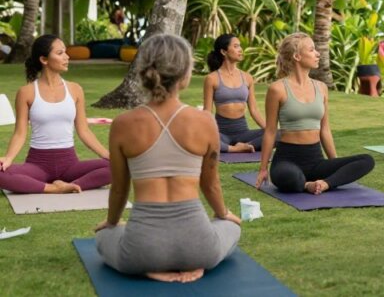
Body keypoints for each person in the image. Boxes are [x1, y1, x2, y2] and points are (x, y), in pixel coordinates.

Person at [95, 34, 240, 283]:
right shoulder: (205, 121)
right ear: (185, 75)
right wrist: (224, 214)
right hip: (199, 248)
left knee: (102, 237)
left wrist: (111, 223)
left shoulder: (122, 124)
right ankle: (192, 264)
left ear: (144, 73)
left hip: (141, 251)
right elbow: (211, 184)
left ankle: (151, 268)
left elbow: (119, 189)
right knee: (233, 228)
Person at [256, 33, 375, 194]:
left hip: (315, 160)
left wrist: (335, 163)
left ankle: (325, 183)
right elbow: (270, 131)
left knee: (367, 160)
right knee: (290, 177)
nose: (317, 53)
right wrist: (263, 168)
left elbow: (325, 130)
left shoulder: (321, 87)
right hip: (287, 160)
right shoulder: (277, 89)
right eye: (312, 50)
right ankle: (307, 185)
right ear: (297, 56)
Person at [0, 35, 110, 194]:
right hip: (37, 165)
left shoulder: (75, 89)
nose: (67, 57)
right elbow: (20, 133)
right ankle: (52, 188)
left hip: (70, 165)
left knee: (119, 166)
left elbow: (84, 130)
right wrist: (8, 158)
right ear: (44, 59)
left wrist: (108, 155)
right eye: (60, 53)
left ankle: (72, 185)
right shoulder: (26, 92)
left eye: (65, 52)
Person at [202, 34, 268, 153]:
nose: (240, 50)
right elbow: (207, 111)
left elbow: (254, 110)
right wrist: (207, 131)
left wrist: (269, 131)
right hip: (221, 134)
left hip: (243, 133)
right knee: (201, 135)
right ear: (223, 51)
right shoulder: (212, 78)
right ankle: (235, 149)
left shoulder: (247, 78)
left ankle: (243, 146)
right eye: (236, 46)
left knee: (280, 134)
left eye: (240, 46)